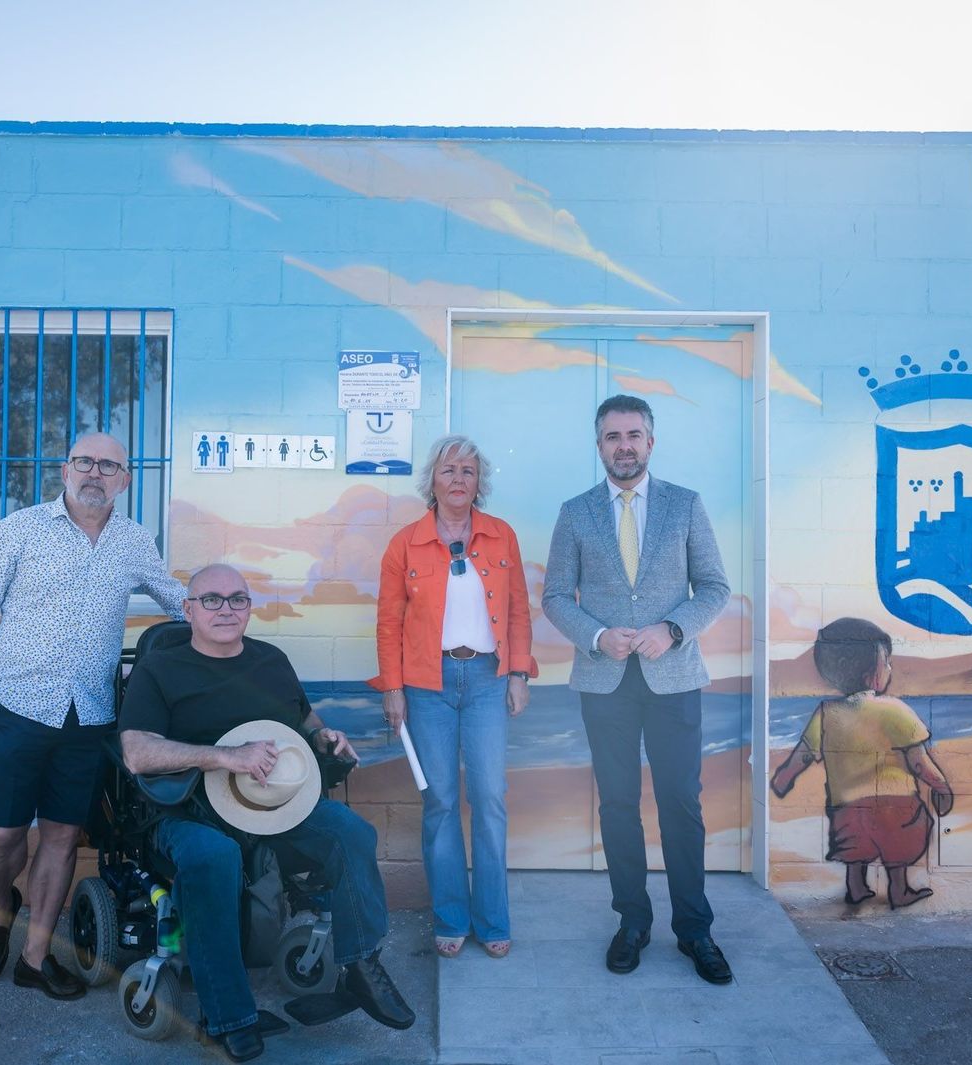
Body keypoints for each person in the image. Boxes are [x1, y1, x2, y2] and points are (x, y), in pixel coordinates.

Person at [120, 564, 415, 1063]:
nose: (225, 609)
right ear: (188, 610)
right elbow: (136, 753)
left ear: (249, 608)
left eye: (237, 599)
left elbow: (304, 720)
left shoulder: (270, 660)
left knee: (350, 833)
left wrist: (325, 738)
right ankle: (230, 1016)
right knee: (214, 856)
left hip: (270, 804)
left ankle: (361, 968)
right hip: (189, 810)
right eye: (211, 600)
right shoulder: (160, 671)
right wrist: (223, 756)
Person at [0, 431, 187, 1000]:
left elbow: (173, 596)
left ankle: (34, 958)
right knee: (6, 832)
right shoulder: (20, 530)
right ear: (65, 470)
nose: (95, 474)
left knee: (60, 836)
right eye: (86, 462)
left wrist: (224, 613)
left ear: (125, 479)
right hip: (17, 703)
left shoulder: (134, 540)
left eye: (109, 466)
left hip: (90, 714)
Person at [542, 395, 733, 984]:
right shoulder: (575, 513)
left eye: (633, 435)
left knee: (680, 804)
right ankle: (632, 922)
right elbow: (554, 597)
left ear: (651, 441)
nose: (622, 445)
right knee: (619, 806)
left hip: (674, 678)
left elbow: (714, 587)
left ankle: (695, 931)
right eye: (611, 436)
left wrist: (671, 629)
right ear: (598, 445)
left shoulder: (685, 505)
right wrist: (597, 636)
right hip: (605, 683)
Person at [371, 434, 538, 960]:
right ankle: (450, 917)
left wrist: (516, 674)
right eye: (449, 471)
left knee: (489, 798)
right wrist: (393, 688)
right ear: (433, 481)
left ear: (478, 481)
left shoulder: (501, 536)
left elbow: (517, 612)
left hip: (487, 679)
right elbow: (388, 622)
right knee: (440, 802)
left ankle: (492, 920)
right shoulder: (406, 544)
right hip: (427, 686)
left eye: (468, 470)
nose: (459, 479)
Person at [770, 617, 955, 909]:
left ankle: (856, 887)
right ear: (872, 673)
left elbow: (803, 755)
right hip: (897, 804)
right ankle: (899, 889)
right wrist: (941, 786)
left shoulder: (827, 713)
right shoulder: (894, 710)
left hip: (846, 806)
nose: (891, 668)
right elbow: (919, 762)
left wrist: (783, 778)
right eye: (887, 662)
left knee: (854, 848)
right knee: (900, 845)